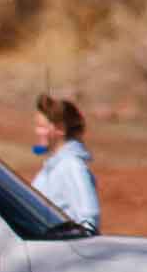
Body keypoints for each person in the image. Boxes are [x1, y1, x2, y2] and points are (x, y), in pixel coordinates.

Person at [31, 94, 101, 232]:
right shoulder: (54, 167)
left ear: (60, 129)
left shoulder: (71, 166)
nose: (36, 131)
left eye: (42, 126)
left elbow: (89, 220)